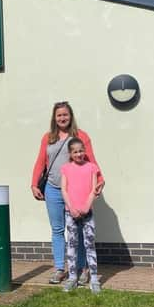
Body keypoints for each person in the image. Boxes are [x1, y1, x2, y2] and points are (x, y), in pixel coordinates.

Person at [31, 101, 104, 284]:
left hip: (76, 192)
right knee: (57, 229)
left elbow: (91, 160)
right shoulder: (48, 138)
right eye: (59, 115)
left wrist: (100, 180)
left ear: (70, 116)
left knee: (78, 230)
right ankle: (59, 269)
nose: (62, 118)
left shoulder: (81, 136)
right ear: (54, 118)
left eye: (65, 114)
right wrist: (34, 184)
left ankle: (81, 268)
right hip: (53, 189)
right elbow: (41, 162)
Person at [60, 138, 102, 293]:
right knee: (72, 245)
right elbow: (64, 189)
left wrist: (86, 207)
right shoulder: (66, 168)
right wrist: (71, 208)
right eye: (75, 152)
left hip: (87, 213)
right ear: (70, 154)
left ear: (85, 151)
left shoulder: (92, 167)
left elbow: (93, 189)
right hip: (71, 213)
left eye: (81, 151)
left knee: (89, 245)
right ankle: (72, 277)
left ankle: (95, 278)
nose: (79, 154)